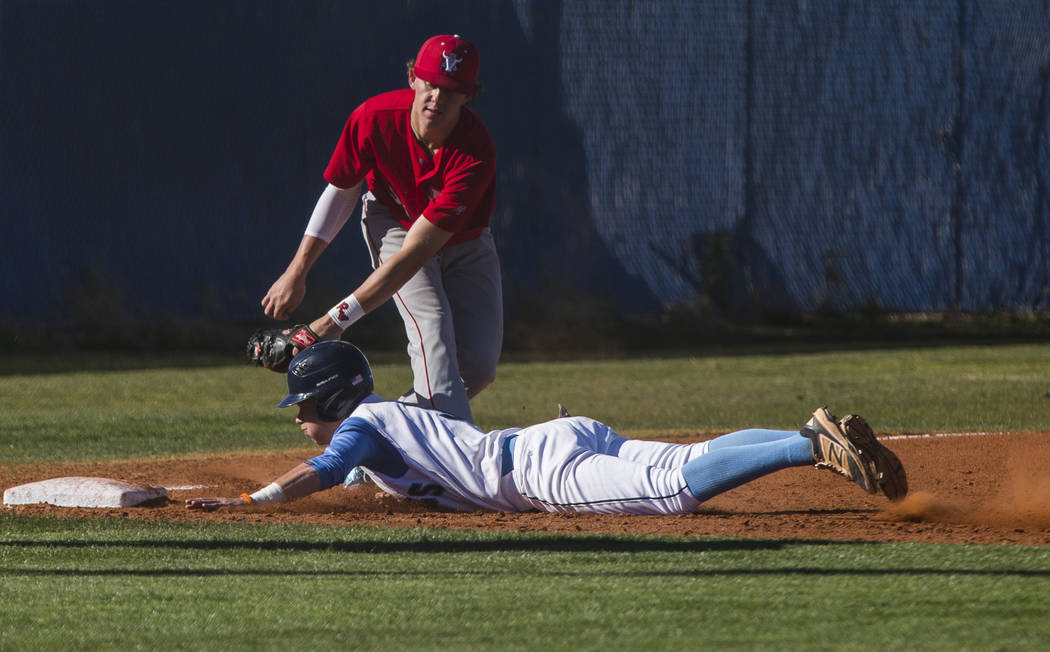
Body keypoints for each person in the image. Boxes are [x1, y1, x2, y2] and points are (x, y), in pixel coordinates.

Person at [186, 341, 908, 515]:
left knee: (671, 490)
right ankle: (805, 434)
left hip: (538, 473)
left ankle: (809, 445)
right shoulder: (383, 417)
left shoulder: (360, 432)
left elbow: (319, 470)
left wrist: (252, 504)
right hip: (550, 439)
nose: (302, 423)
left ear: (332, 404)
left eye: (304, 409)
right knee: (682, 458)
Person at [261, 34, 501, 423]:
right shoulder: (374, 119)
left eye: (451, 90)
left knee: (477, 367)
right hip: (392, 221)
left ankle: (376, 435)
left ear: (469, 96)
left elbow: (416, 255)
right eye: (430, 84)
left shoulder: (474, 153)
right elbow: (343, 190)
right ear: (412, 79)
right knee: (432, 334)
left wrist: (328, 323)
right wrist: (297, 270)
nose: (436, 98)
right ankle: (456, 469)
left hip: (464, 243)